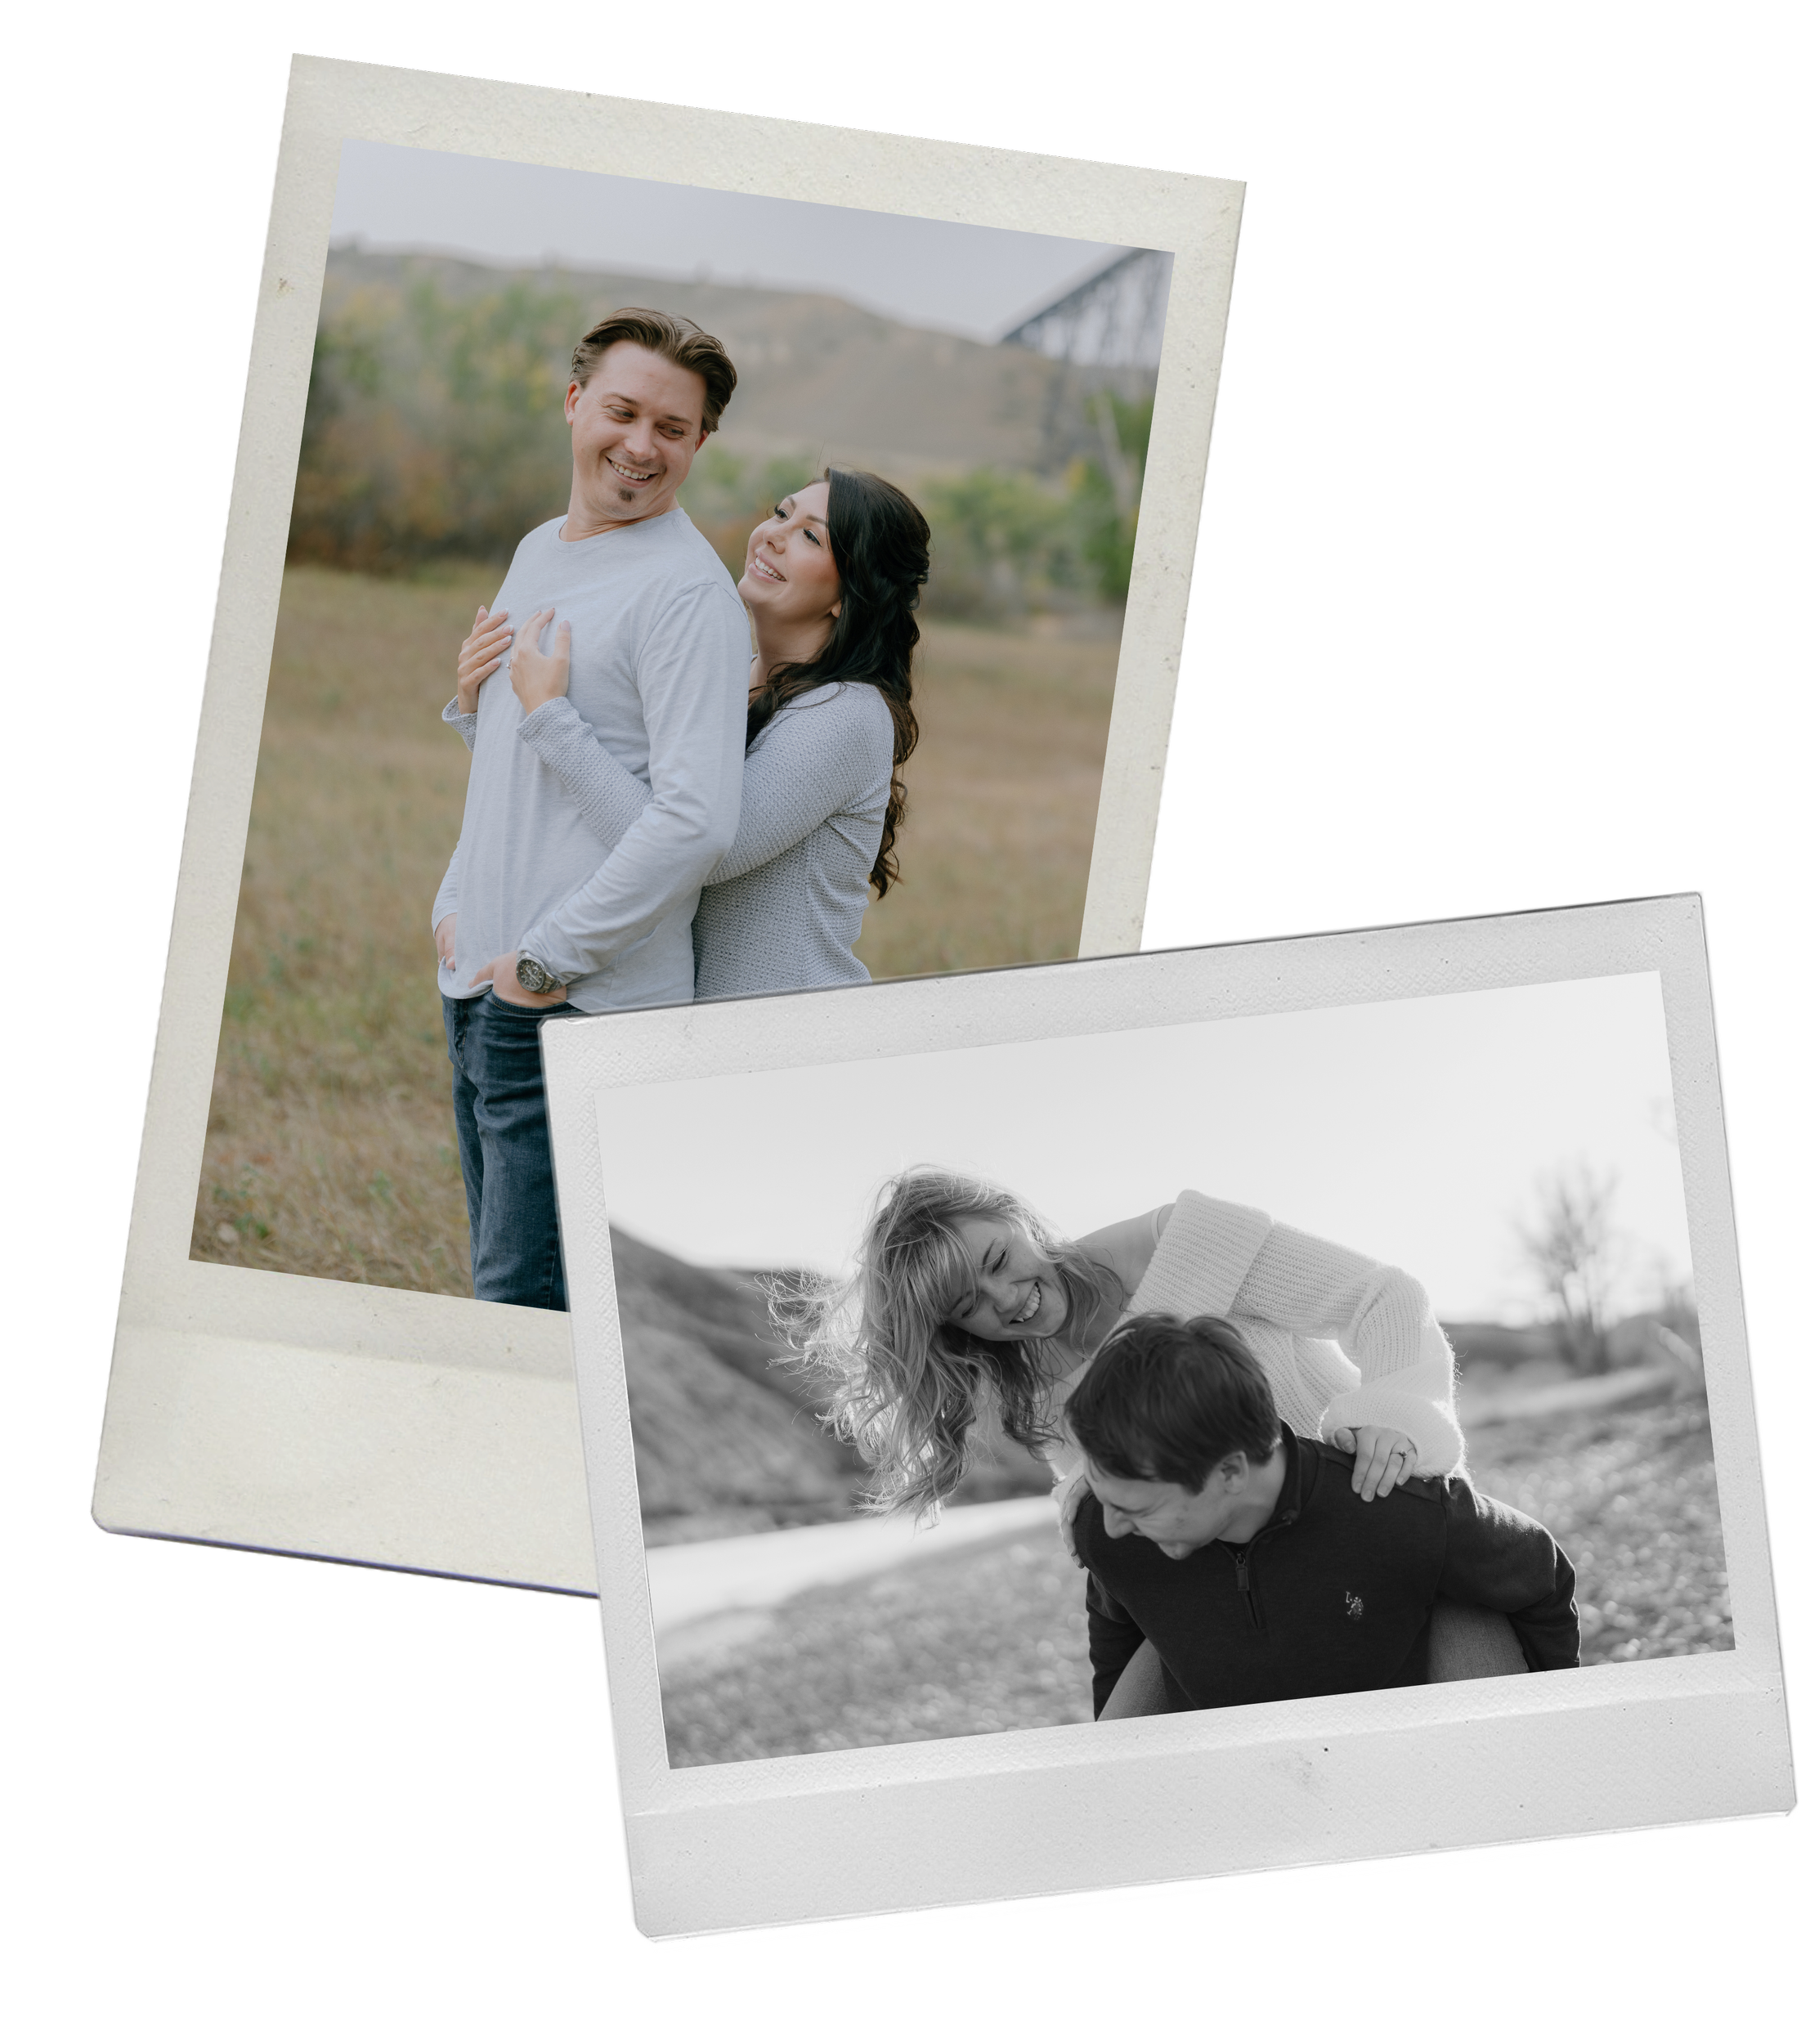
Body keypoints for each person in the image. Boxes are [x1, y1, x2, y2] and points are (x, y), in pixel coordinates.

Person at [777, 1168, 1528, 1709]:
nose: (1007, 1301)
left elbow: (1383, 1297)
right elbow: (1099, 1483)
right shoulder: (1029, 1379)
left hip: (1361, 1512)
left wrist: (1393, 1415)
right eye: (969, 1305)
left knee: (1488, 1723)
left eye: (998, 1262)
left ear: (1016, 1217)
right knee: (1122, 1751)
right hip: (1231, 1578)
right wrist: (1094, 1509)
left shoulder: (1194, 1241)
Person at [431, 309, 750, 1310]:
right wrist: (468, 708)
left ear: (700, 442)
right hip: (482, 982)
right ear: (575, 405)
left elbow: (694, 824)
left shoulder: (687, 596)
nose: (640, 445)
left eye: (672, 428)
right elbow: (529, 759)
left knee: (523, 1317)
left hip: (576, 1002)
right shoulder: (539, 549)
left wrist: (544, 960)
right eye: (622, 412)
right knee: (508, 1293)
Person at [485, 466, 928, 1000]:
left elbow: (689, 851)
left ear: (851, 594)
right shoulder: (727, 678)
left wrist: (553, 719)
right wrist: (477, 708)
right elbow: (604, 805)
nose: (774, 536)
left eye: (810, 536)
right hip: (697, 1035)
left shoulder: (846, 715)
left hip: (789, 1047)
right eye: (781, 514)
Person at [1062, 1313, 1580, 1715]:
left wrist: (1561, 1716)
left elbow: (1541, 1573)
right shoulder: (1111, 1534)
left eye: (1139, 1506)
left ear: (1230, 1474)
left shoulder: (1395, 1511)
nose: (1109, 1527)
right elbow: (1115, 1629)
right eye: (1102, 1496)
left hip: (1397, 1735)